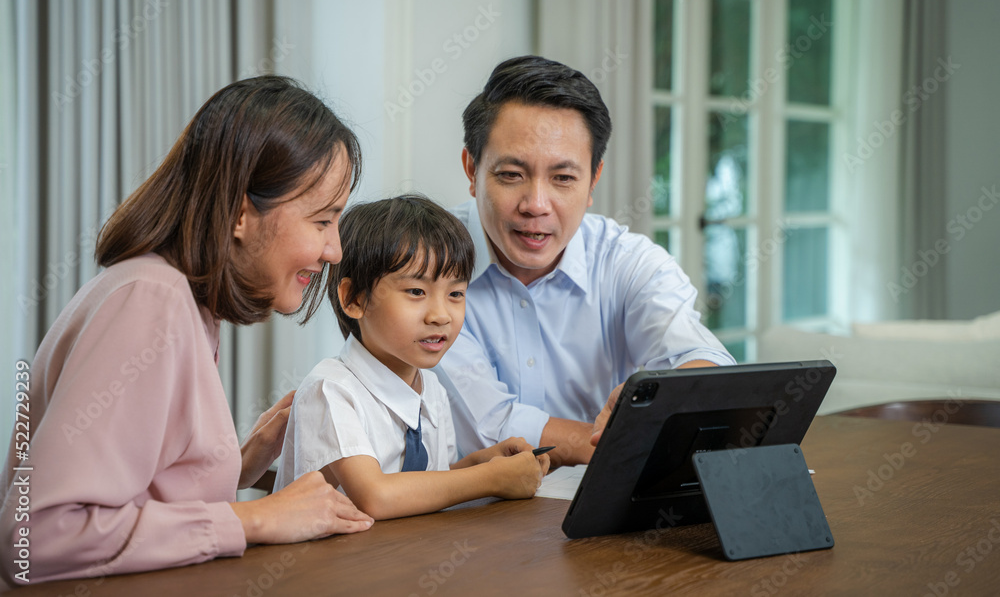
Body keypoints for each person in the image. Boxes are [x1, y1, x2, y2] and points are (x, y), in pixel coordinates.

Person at [0, 76, 376, 585]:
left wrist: (237, 464)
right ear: (242, 212)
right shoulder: (150, 301)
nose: (334, 249)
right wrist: (257, 517)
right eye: (322, 221)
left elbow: (137, 492)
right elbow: (36, 537)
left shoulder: (177, 300)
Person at [434, 55, 736, 469]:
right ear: (472, 169)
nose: (536, 205)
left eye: (563, 179)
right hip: (466, 520)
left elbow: (705, 362)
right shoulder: (422, 266)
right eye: (511, 174)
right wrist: (628, 437)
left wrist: (668, 392)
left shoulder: (626, 261)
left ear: (593, 181)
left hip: (600, 512)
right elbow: (487, 424)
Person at [274, 195, 550, 520]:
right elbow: (375, 496)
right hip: (324, 566)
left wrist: (486, 462)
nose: (440, 315)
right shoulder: (332, 390)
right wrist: (492, 480)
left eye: (456, 294)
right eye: (417, 292)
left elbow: (431, 483)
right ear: (354, 299)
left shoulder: (430, 387)